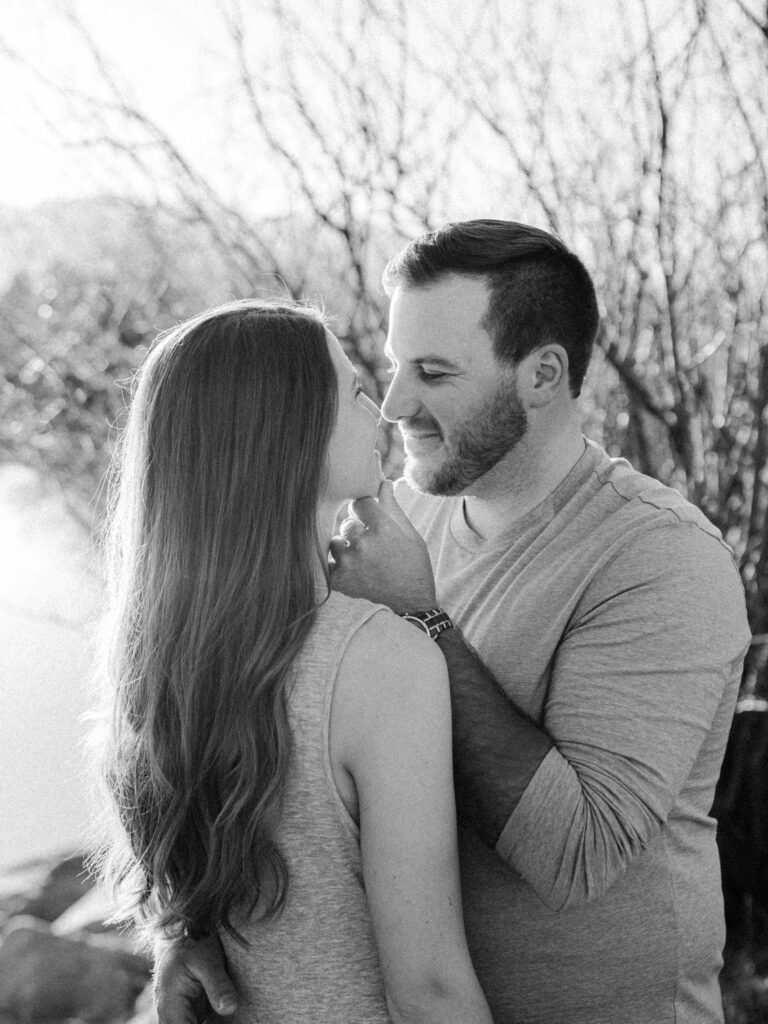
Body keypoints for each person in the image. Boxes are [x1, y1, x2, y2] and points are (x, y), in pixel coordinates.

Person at [155, 222, 752, 1024]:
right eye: (396, 367)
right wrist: (191, 925)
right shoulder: (389, 517)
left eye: (433, 372)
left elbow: (577, 854)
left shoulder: (661, 559)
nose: (397, 404)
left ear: (544, 375)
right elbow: (259, 727)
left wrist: (423, 621)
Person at [95, 300, 492, 1024]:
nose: (380, 408)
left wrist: (179, 937)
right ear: (290, 432)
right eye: (353, 390)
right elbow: (428, 988)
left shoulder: (168, 655)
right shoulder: (382, 659)